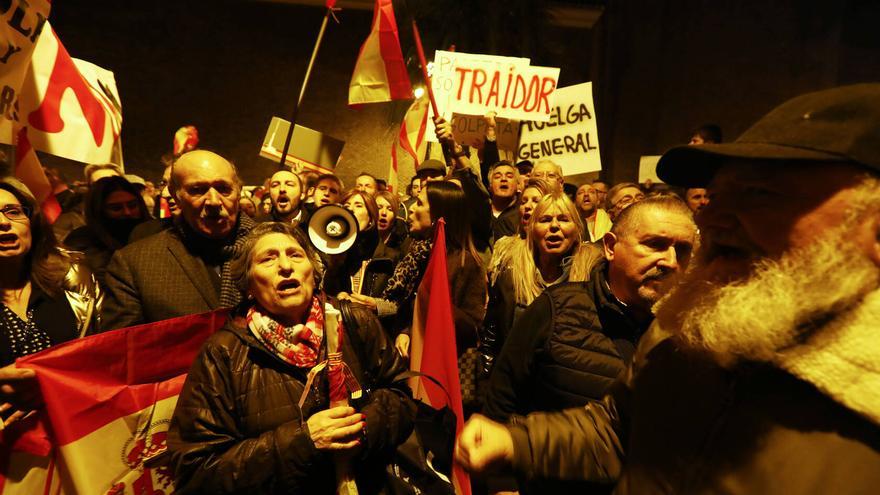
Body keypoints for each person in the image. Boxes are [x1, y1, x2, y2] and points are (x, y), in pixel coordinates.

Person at [456, 84, 880, 494]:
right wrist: (517, 443)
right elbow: (618, 431)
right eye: (715, 196)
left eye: (759, 193)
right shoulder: (687, 325)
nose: (714, 221)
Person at [166, 222, 415, 494]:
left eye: (295, 255)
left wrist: (361, 427)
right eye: (268, 258)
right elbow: (195, 471)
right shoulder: (223, 353)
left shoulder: (355, 321)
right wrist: (303, 442)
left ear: (313, 271)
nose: (285, 266)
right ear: (248, 283)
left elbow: (401, 397)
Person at [102, 150, 256, 329]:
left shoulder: (280, 246)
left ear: (238, 192)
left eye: (223, 189)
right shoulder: (135, 264)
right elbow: (125, 350)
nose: (214, 201)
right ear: (176, 196)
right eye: (197, 190)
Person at [481, 191, 601, 379]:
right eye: (545, 219)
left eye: (563, 219)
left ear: (577, 228)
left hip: (570, 387)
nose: (554, 226)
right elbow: (493, 331)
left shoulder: (594, 273)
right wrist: (487, 380)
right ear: (532, 229)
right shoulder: (511, 271)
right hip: (517, 384)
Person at [0, 178, 103, 367]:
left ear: (31, 222)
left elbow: (104, 352)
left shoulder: (73, 276)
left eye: (13, 212)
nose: (3, 222)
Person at [63, 176, 149, 287]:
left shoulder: (153, 232)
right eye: (116, 208)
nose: (127, 212)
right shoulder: (82, 241)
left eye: (132, 205)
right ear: (100, 210)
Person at [488, 161, 520, 242]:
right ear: (490, 186)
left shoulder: (523, 212)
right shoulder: (482, 212)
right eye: (497, 177)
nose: (503, 179)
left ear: (517, 184)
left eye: (509, 176)